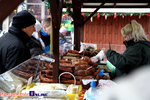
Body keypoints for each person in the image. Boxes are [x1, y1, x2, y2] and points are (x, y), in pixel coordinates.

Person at [0, 10, 36, 74]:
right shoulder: (18, 47)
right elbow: (15, 76)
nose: (34, 30)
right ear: (23, 28)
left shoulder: (4, 37)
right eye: (32, 26)